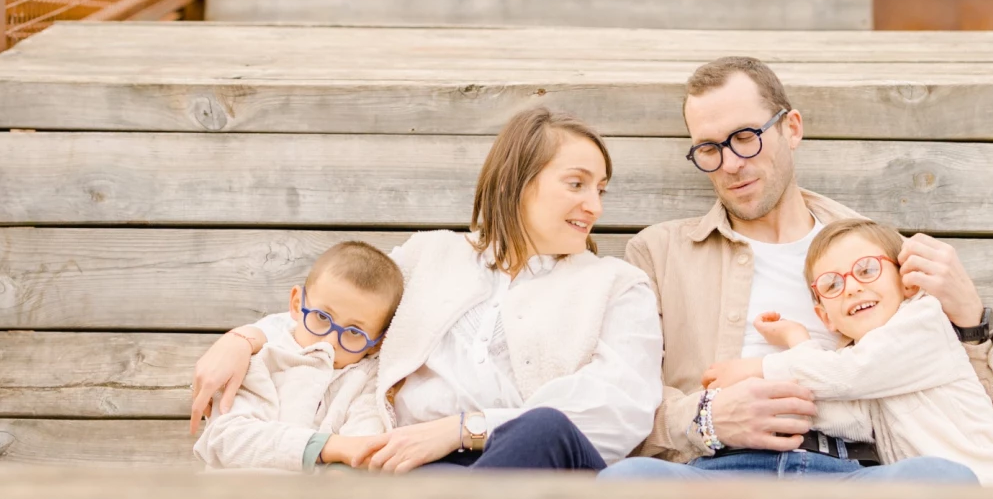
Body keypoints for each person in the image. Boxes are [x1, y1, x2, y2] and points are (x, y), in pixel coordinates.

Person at [189, 107, 662, 472]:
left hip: (535, 473)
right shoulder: (429, 257)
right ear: (517, 182)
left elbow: (620, 410)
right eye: (577, 184)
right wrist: (245, 337)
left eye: (601, 188)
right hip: (409, 465)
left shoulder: (617, 286)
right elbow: (343, 317)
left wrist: (464, 431)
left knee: (542, 428)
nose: (594, 205)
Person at [600, 55, 993, 482]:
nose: (731, 163)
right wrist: (709, 418)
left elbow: (971, 417)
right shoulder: (658, 253)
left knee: (944, 479)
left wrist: (970, 322)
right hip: (713, 478)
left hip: (850, 476)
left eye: (744, 137)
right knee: (624, 483)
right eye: (709, 149)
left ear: (791, 128)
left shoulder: (875, 255)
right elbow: (625, 403)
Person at [703, 217, 993, 485]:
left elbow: (848, 373)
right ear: (825, 318)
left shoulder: (922, 323)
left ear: (907, 284)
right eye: (832, 284)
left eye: (866, 270)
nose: (851, 288)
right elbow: (844, 413)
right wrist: (796, 343)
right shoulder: (871, 370)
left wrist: (761, 367)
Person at [194, 239, 403, 471]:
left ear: (376, 343)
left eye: (354, 332)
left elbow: (363, 446)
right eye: (322, 317)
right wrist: (325, 446)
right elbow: (225, 439)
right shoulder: (264, 358)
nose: (330, 342)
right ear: (296, 304)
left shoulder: (368, 382)